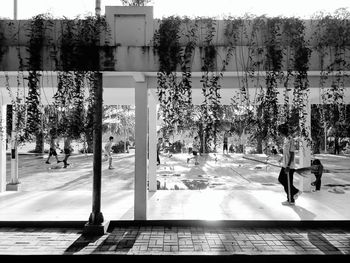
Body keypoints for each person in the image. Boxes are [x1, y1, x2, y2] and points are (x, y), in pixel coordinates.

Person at [277, 123, 302, 206]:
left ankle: (295, 192)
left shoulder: (291, 139)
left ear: (283, 131)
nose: (279, 133)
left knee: (283, 180)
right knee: (285, 181)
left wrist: (288, 166)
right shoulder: (286, 139)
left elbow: (292, 154)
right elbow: (286, 153)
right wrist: (281, 158)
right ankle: (291, 200)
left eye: (280, 131)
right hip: (285, 164)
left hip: (289, 166)